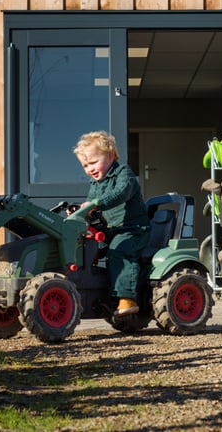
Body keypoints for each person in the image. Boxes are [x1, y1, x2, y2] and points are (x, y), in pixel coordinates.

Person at [72, 131, 150, 316]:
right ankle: (101, 296)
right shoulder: (95, 184)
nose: (89, 169)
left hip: (133, 230)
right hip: (110, 231)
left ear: (112, 155)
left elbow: (121, 193)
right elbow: (90, 206)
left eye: (93, 162)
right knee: (87, 251)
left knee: (119, 251)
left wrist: (96, 204)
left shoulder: (124, 173)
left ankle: (127, 298)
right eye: (85, 165)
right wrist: (79, 211)